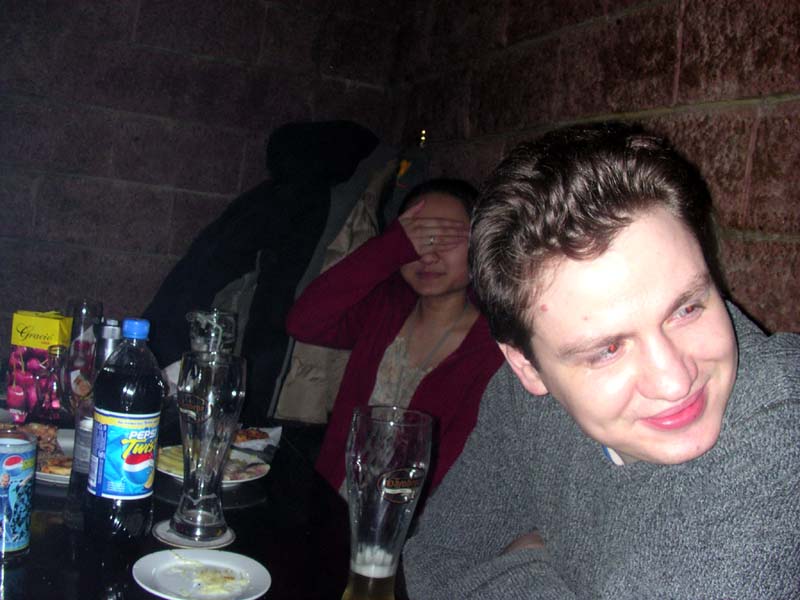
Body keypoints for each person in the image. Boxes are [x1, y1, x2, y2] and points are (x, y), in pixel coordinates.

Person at [402, 123, 800, 598]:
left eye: (687, 309)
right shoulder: (521, 401)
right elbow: (434, 559)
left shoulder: (781, 428)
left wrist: (525, 558)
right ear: (527, 366)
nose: (675, 381)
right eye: (608, 349)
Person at [286, 178, 504, 494]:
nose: (428, 255)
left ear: (479, 244)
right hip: (333, 503)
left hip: (414, 518)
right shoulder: (385, 308)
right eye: (417, 238)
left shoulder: (493, 348)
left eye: (446, 238)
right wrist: (389, 248)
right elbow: (303, 322)